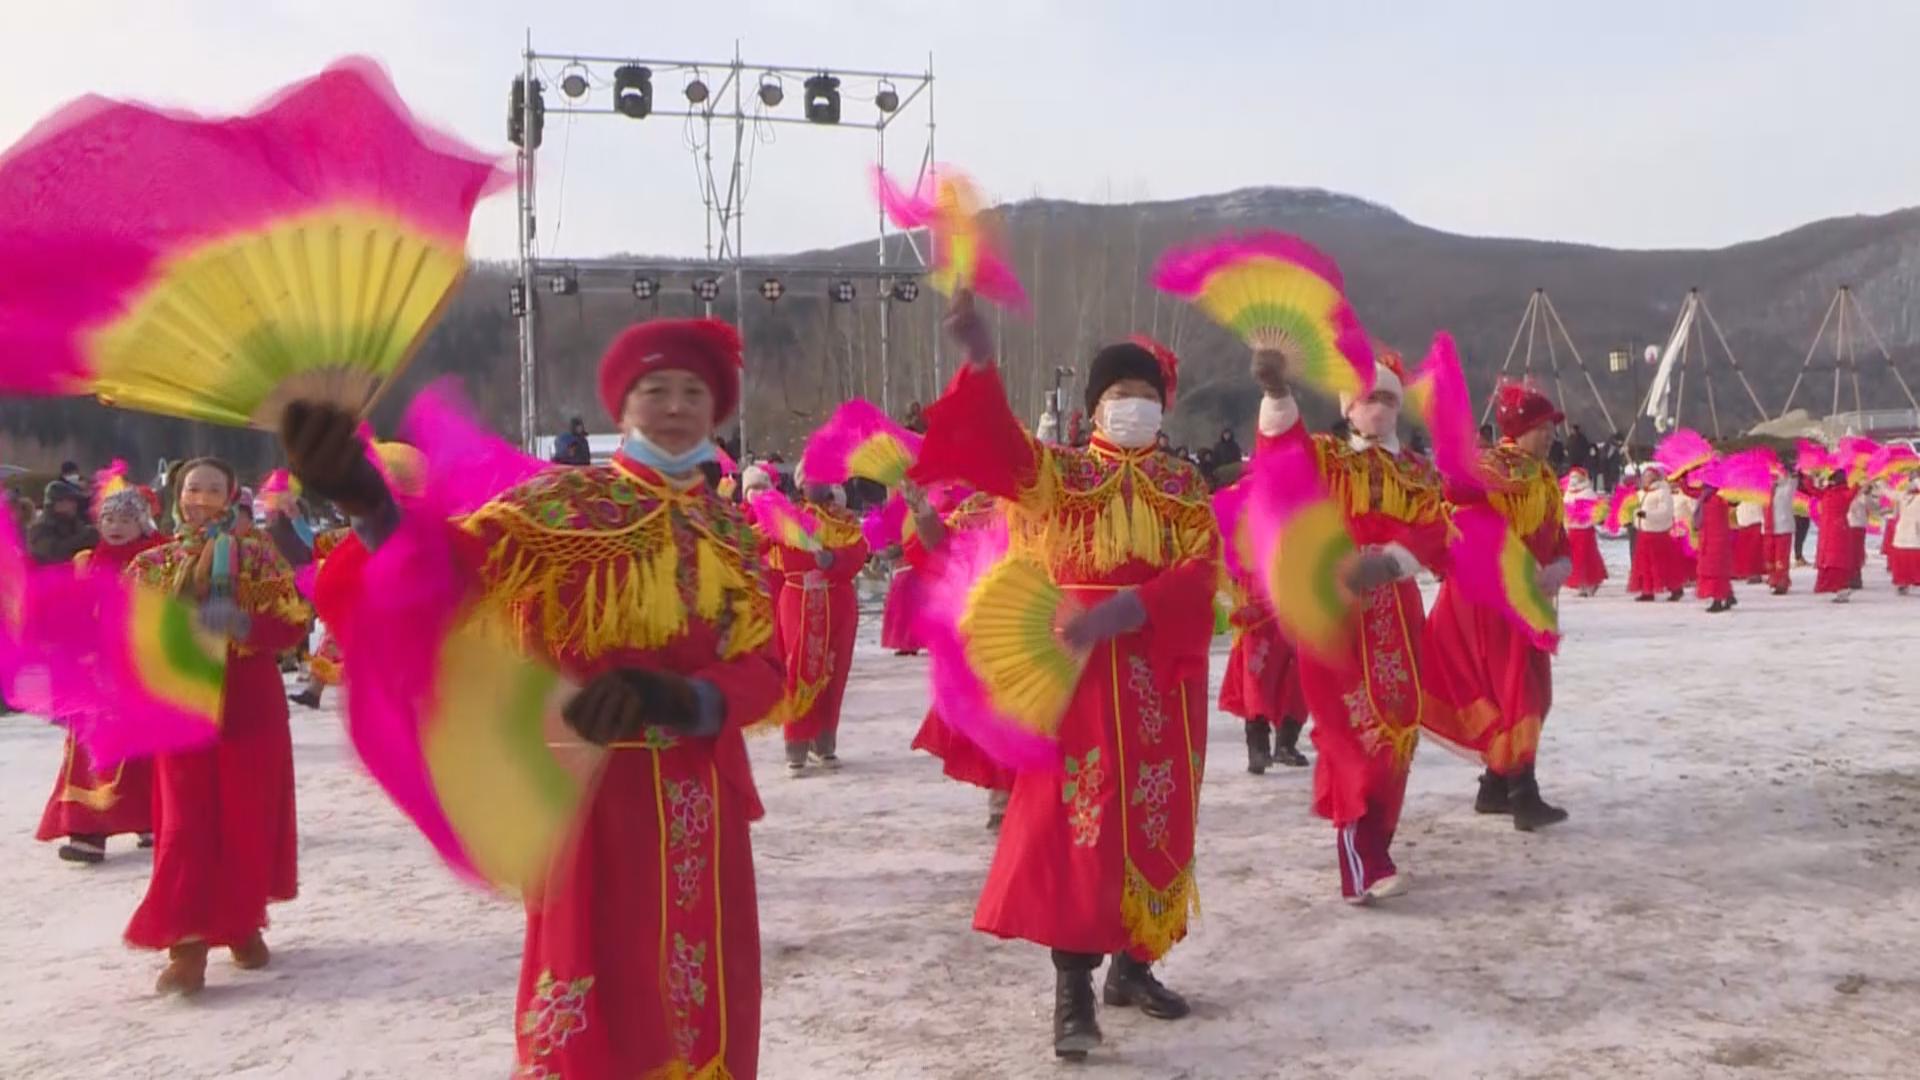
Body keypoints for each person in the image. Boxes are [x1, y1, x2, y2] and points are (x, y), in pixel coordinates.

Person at [282, 316, 782, 1078]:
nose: (678, 406)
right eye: (656, 389)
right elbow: (452, 569)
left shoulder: (733, 534)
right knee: (595, 991)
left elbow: (766, 668)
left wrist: (684, 699)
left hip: (700, 806)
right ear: (622, 409)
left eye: (695, 392)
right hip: (586, 797)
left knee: (699, 996)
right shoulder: (565, 504)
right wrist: (372, 506)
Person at [910, 298, 1217, 1060]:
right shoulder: (1062, 474)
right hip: (1075, 678)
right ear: (1094, 408)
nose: (1135, 407)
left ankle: (1135, 967)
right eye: (1120, 396)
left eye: (1146, 396)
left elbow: (1202, 571)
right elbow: (998, 445)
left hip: (1158, 677)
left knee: (1158, 817)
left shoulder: (1183, 486)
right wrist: (981, 363)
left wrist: (1132, 608)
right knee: (1078, 827)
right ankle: (1073, 988)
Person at [1253, 346, 1451, 902]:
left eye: (1388, 398)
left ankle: (1377, 844)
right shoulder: (1325, 457)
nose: (1378, 407)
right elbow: (1282, 457)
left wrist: (1393, 561)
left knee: (1397, 731)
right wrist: (1277, 395)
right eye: (1368, 397)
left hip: (1397, 613)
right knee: (1349, 731)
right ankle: (1360, 860)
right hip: (1335, 610)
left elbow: (1437, 528)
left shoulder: (1417, 471)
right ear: (1348, 406)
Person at [124, 458, 307, 995]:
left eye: (212, 488)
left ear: (230, 497)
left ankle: (241, 921)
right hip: (181, 704)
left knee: (246, 815)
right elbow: (126, 635)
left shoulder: (258, 555)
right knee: (185, 822)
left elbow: (293, 625)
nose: (200, 496)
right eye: (192, 487)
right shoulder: (153, 563)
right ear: (177, 495)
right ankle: (187, 946)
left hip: (249, 702)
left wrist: (243, 622)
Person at [1423, 382, 1572, 830]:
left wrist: (1559, 565)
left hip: (1530, 601)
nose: (1549, 435)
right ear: (1519, 430)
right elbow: (1457, 496)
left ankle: (1494, 785)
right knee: (1518, 692)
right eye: (1541, 427)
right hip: (1491, 599)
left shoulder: (1544, 477)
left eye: (1551, 428)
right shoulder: (1492, 467)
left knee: (1533, 691)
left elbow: (1556, 535)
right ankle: (1523, 793)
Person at [35, 476, 166, 864]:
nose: (115, 526)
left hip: (143, 668)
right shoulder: (88, 561)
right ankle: (87, 830)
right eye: (109, 519)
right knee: (89, 748)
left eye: (125, 519)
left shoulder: (160, 559)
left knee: (145, 749)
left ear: (142, 523)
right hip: (97, 672)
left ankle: (150, 817)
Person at [902, 485, 1017, 827]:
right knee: (998, 713)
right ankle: (1002, 800)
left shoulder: (1045, 501)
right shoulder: (977, 507)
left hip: (1042, 620)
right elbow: (942, 545)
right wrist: (923, 512)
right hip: (991, 626)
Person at [765, 482, 869, 776]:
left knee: (833, 673)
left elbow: (859, 551)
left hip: (837, 601)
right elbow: (754, 543)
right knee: (798, 669)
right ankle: (796, 745)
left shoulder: (843, 519)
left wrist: (835, 559)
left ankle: (824, 742)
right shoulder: (786, 517)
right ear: (801, 484)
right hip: (797, 601)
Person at [1217, 557, 1309, 774]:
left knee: (1300, 672)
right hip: (1258, 595)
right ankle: (1258, 746)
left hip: (1299, 591)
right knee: (1257, 674)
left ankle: (1286, 742)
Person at [1629, 464, 1685, 601]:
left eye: (1648, 476)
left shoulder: (1663, 492)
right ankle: (1647, 590)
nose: (1645, 478)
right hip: (1644, 531)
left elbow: (1665, 512)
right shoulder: (1643, 493)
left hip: (1658, 533)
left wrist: (1646, 514)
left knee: (1662, 563)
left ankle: (1675, 588)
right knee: (1645, 564)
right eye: (1644, 476)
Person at [1812, 467, 1860, 601]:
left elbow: (1856, 487)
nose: (1830, 482)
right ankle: (1831, 587)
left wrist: (1858, 477)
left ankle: (1841, 587)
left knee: (1837, 560)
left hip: (1838, 530)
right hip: (1827, 530)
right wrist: (1807, 476)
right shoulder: (1826, 493)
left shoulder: (1845, 493)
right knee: (1827, 559)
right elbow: (1811, 490)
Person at [28, 479, 98, 565]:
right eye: (70, 501)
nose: (74, 505)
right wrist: (84, 537)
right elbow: (53, 552)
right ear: (57, 503)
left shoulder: (74, 522)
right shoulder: (40, 527)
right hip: (51, 572)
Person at [1563, 467, 1608, 596]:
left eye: (1576, 477)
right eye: (1572, 477)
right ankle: (1581, 583)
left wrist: (1580, 515)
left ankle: (1589, 582)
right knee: (1574, 558)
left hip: (1585, 530)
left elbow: (1591, 512)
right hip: (1572, 529)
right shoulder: (1568, 492)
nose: (1573, 480)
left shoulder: (1588, 493)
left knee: (1585, 557)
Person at [1764, 467, 1796, 594]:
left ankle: (1782, 582)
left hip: (1783, 528)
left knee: (1781, 558)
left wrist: (1791, 473)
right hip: (1768, 528)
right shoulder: (1765, 492)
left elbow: (1793, 482)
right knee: (1770, 557)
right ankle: (1774, 579)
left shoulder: (1786, 488)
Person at [1890, 476, 1920, 594]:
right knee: (1902, 560)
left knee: (1915, 560)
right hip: (1902, 532)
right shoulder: (1902, 496)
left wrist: (1916, 479)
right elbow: (1889, 493)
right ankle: (1902, 583)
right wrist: (1880, 481)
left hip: (1915, 532)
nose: (1909, 484)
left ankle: (1916, 580)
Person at [1732, 490, 1767, 584]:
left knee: (1753, 548)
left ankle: (1754, 572)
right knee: (1747, 548)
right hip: (1745, 516)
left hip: (1755, 516)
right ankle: (1747, 571)